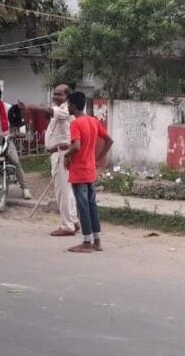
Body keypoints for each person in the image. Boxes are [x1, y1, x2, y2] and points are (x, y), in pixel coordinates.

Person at [19, 84, 80, 236]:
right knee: (67, 191)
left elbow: (47, 110)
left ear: (67, 97)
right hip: (59, 153)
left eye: (59, 94)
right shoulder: (59, 109)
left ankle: (67, 226)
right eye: (55, 94)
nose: (55, 97)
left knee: (62, 192)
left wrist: (28, 106)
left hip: (61, 153)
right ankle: (73, 220)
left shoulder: (64, 110)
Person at [61, 91, 114, 253]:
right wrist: (98, 158)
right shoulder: (93, 121)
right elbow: (109, 140)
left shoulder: (76, 124)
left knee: (83, 206)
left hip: (79, 171)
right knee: (91, 205)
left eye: (68, 104)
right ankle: (97, 241)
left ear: (73, 106)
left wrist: (66, 155)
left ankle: (86, 242)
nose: (67, 107)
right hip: (90, 170)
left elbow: (76, 146)